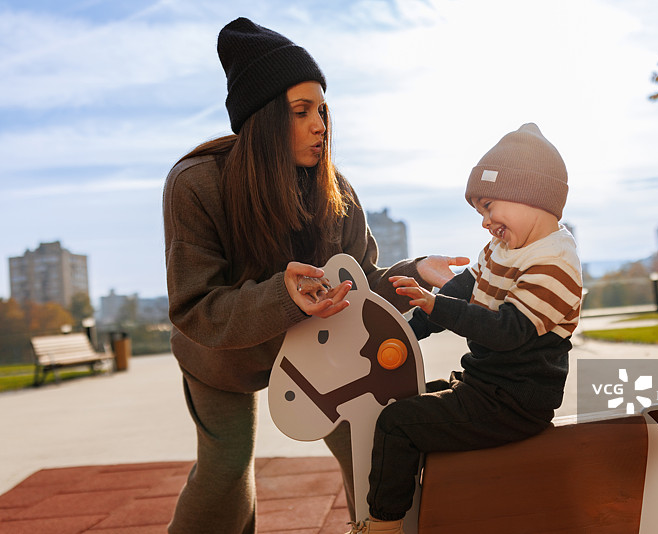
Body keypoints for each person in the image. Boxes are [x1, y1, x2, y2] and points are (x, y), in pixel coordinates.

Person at [162, 17, 466, 534]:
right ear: (262, 120)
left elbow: (361, 281)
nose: (320, 125)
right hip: (222, 360)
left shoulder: (334, 191)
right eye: (301, 112)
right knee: (226, 470)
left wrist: (413, 274)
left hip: (316, 351)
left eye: (322, 110)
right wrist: (281, 296)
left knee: (372, 446)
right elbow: (196, 308)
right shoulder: (196, 185)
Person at [347, 124, 584, 533]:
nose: (485, 223)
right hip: (486, 389)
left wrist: (437, 306)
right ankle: (429, 506)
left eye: (490, 207)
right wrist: (403, 329)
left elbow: (506, 331)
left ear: (531, 195)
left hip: (514, 403)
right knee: (407, 395)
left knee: (397, 423)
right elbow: (463, 288)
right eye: (480, 213)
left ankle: (382, 527)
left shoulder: (555, 263)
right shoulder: (503, 248)